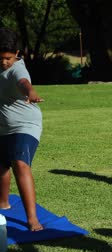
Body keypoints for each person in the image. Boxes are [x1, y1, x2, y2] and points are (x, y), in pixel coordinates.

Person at [0, 27, 44, 231]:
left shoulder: (18, 68)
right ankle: (3, 204)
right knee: (1, 165)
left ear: (16, 53)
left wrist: (31, 91)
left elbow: (24, 82)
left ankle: (32, 219)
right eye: (0, 58)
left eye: (8, 58)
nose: (4, 62)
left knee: (20, 163)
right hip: (3, 125)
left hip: (25, 124)